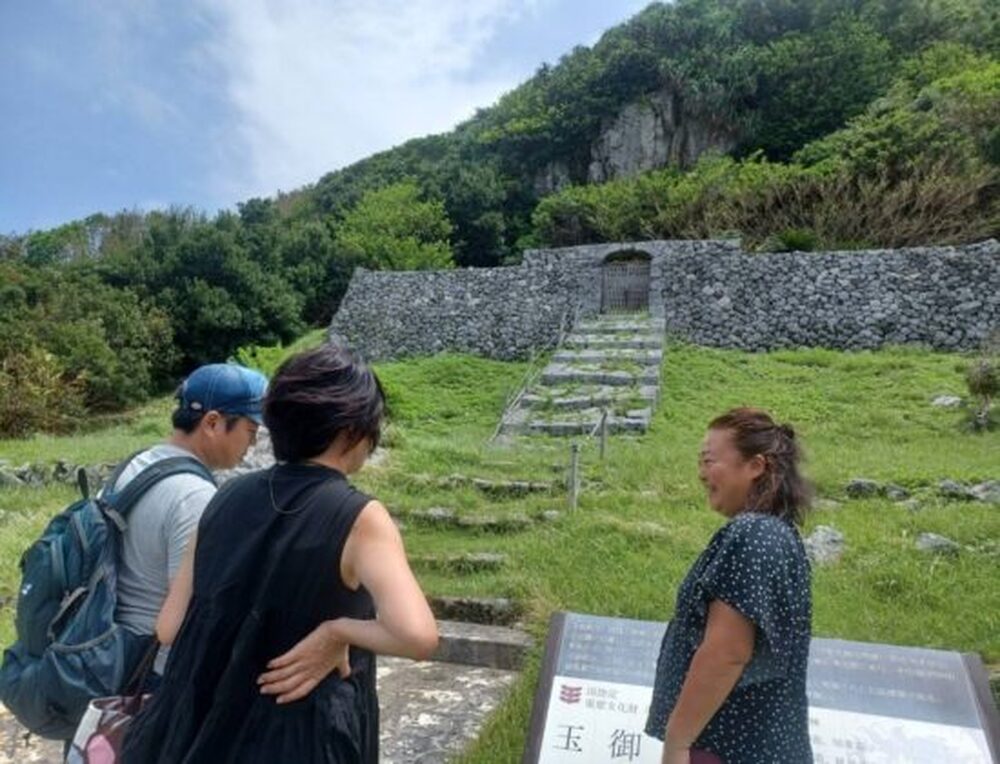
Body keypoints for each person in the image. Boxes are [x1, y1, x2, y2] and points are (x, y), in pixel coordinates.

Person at [122, 343, 438, 763]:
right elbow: (417, 636)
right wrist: (338, 632)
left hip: (201, 732)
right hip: (302, 739)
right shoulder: (359, 517)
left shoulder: (223, 496)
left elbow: (168, 627)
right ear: (351, 430)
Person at [645, 408, 813, 764]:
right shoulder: (776, 534)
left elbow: (728, 652)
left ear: (755, 466)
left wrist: (677, 742)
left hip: (725, 747)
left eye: (709, 460)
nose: (701, 473)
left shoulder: (753, 534)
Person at [113, 362, 267, 678]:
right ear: (212, 423)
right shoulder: (194, 496)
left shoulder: (136, 465)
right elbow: (195, 611)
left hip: (111, 649)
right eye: (250, 432)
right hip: (152, 670)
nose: (251, 445)